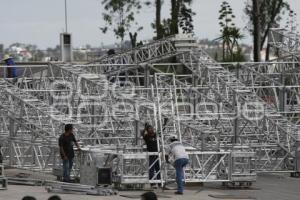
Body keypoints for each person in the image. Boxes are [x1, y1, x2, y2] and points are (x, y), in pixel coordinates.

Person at [142, 123, 161, 188]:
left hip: (157, 154)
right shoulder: (147, 137)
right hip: (152, 155)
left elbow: (161, 130)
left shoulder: (156, 135)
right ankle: (152, 184)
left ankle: (159, 183)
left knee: (158, 169)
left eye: (152, 128)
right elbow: (142, 133)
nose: (151, 129)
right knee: (151, 169)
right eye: (149, 128)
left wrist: (165, 122)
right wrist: (145, 127)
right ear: (147, 130)